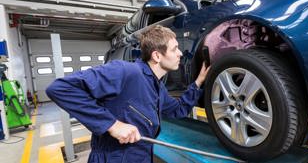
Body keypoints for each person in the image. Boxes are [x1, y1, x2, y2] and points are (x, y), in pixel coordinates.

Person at [46, 25, 210, 163]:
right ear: (157, 55)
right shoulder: (125, 71)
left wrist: (199, 82)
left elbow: (178, 109)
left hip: (141, 157)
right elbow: (60, 88)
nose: (181, 53)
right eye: (175, 49)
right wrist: (112, 124)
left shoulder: (157, 86)